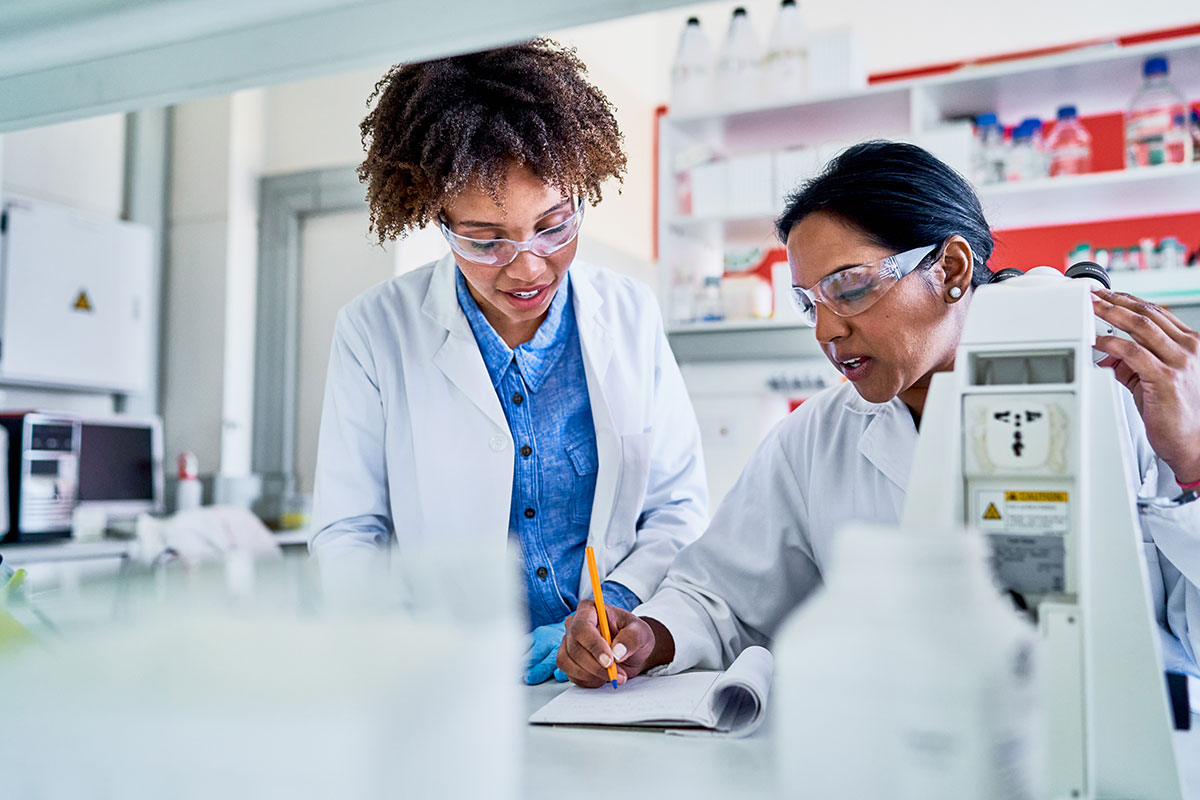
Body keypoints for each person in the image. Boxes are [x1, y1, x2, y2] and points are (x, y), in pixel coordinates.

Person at [557, 140, 1200, 686]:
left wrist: (1194, 465)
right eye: (811, 303)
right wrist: (647, 636)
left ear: (950, 268)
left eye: (851, 286)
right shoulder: (816, 437)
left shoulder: (1130, 396)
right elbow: (718, 594)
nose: (826, 332)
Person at [309, 40, 708, 683]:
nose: (527, 267)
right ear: (436, 220)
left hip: (605, 676)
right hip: (442, 678)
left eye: (554, 226)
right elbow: (350, 531)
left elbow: (676, 507)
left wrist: (617, 609)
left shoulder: (630, 315)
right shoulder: (374, 330)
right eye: (485, 240)